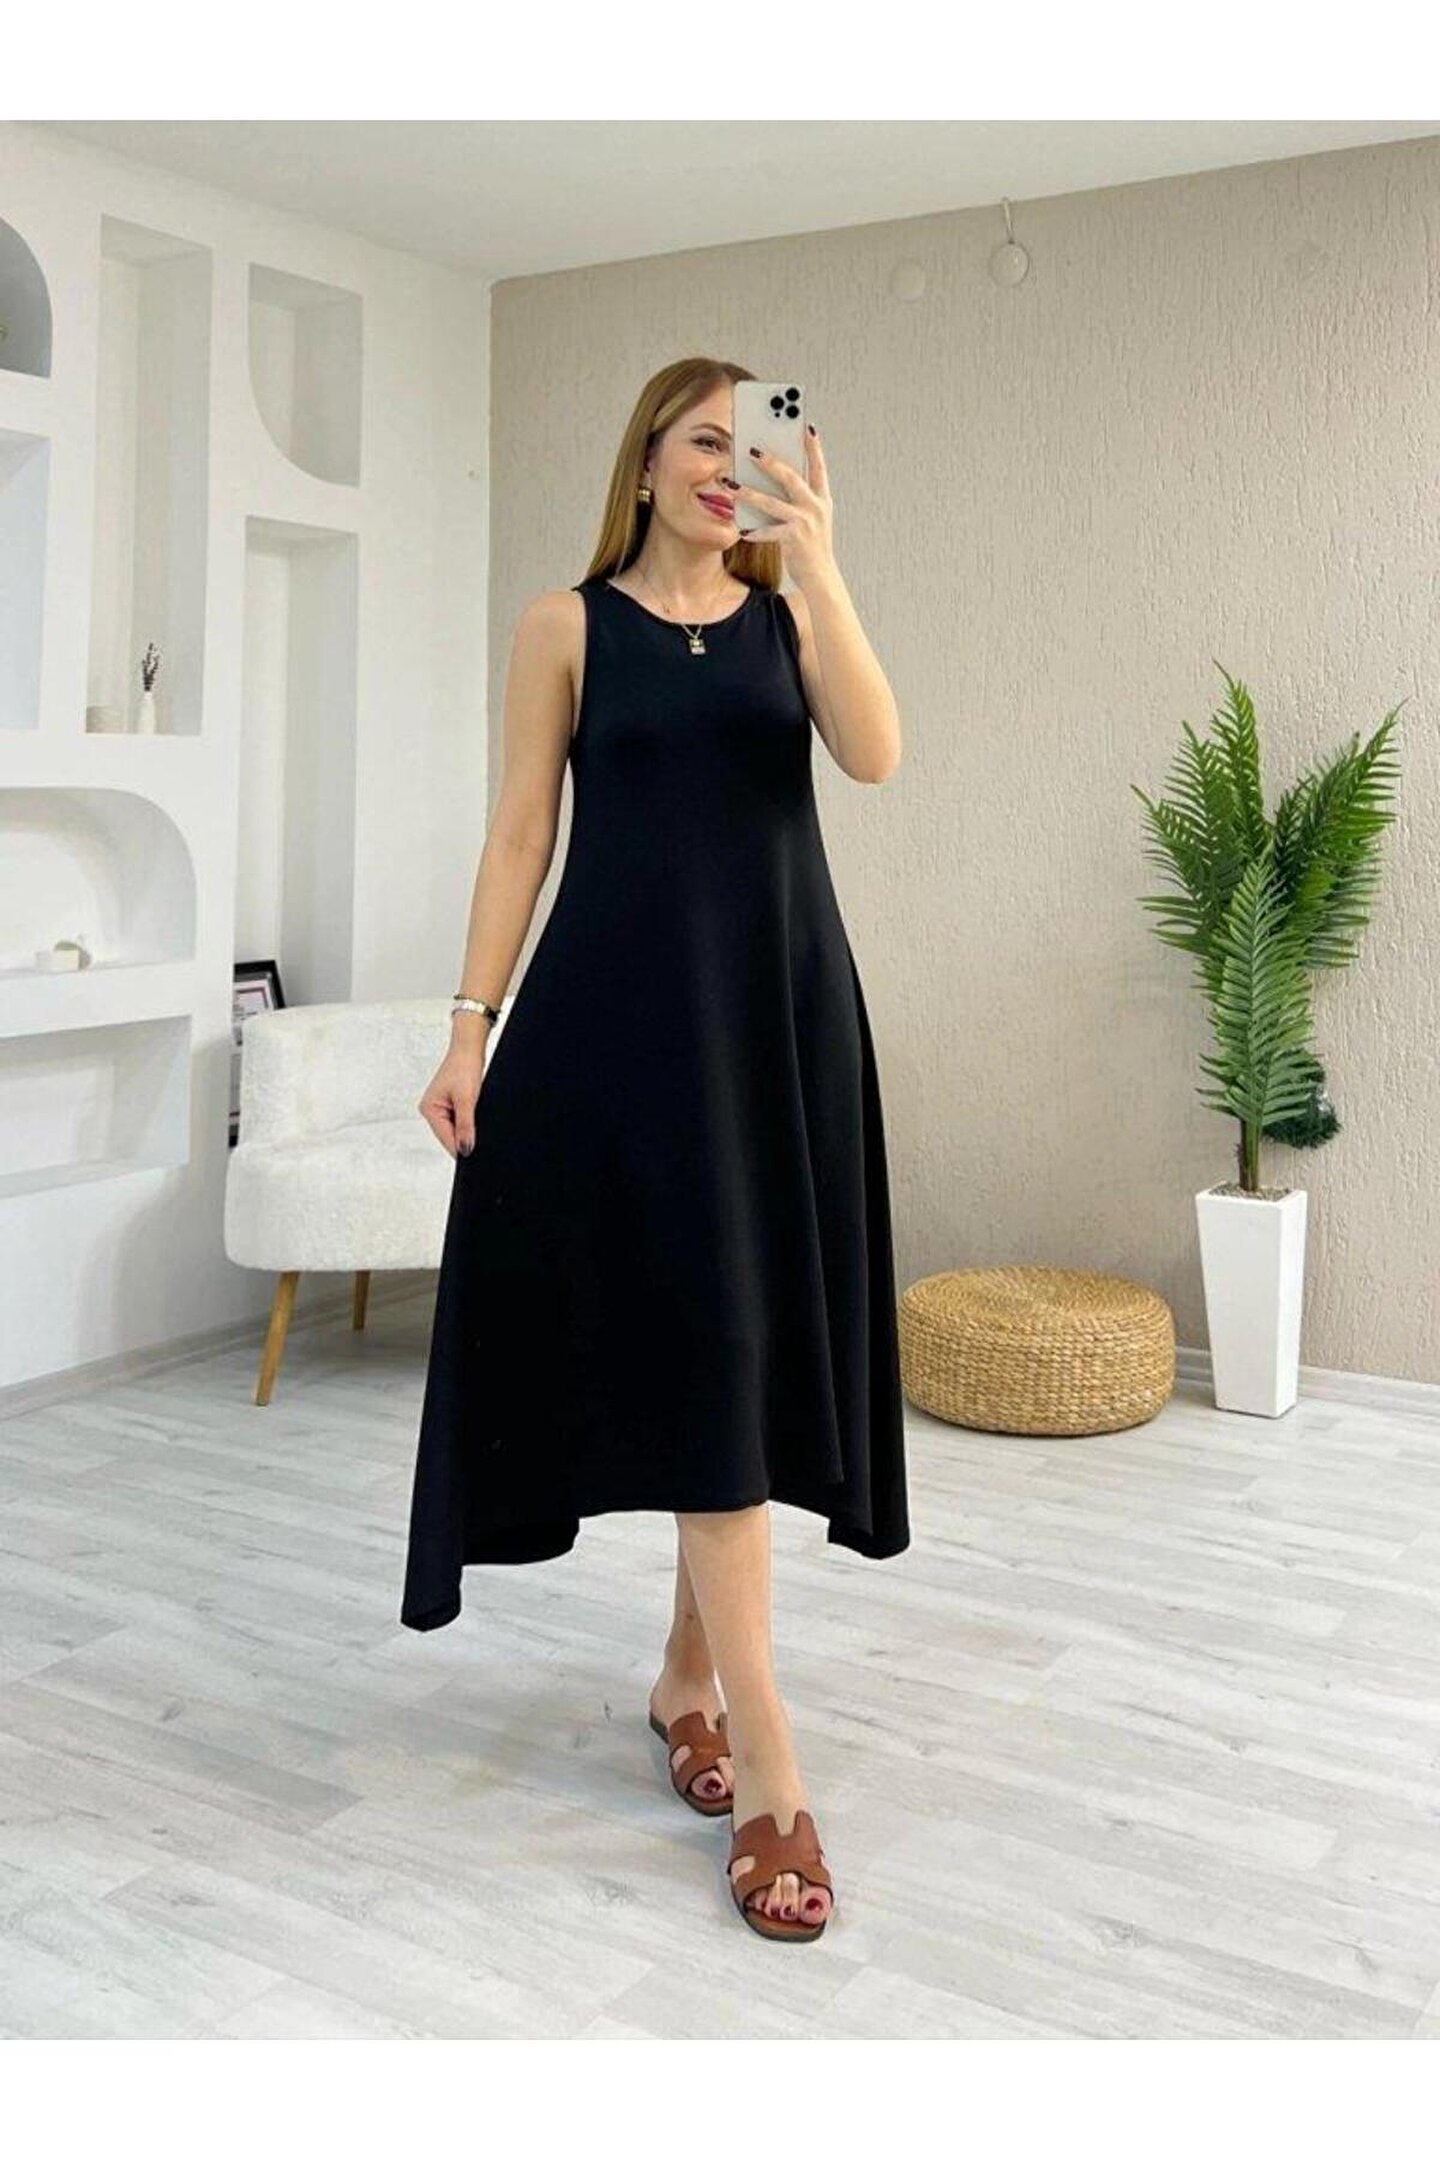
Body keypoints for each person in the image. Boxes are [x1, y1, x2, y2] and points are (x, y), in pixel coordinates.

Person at [403, 355, 910, 1942]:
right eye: (703, 440)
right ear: (642, 464)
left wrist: (821, 562)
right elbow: (519, 833)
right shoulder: (563, 627)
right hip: (622, 1035)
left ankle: (690, 1682)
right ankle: (769, 1764)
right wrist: (469, 1024)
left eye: (752, 446)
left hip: (777, 1026)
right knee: (708, 1345)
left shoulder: (788, 617)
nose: (727, 469)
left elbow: (877, 754)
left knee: (734, 1356)